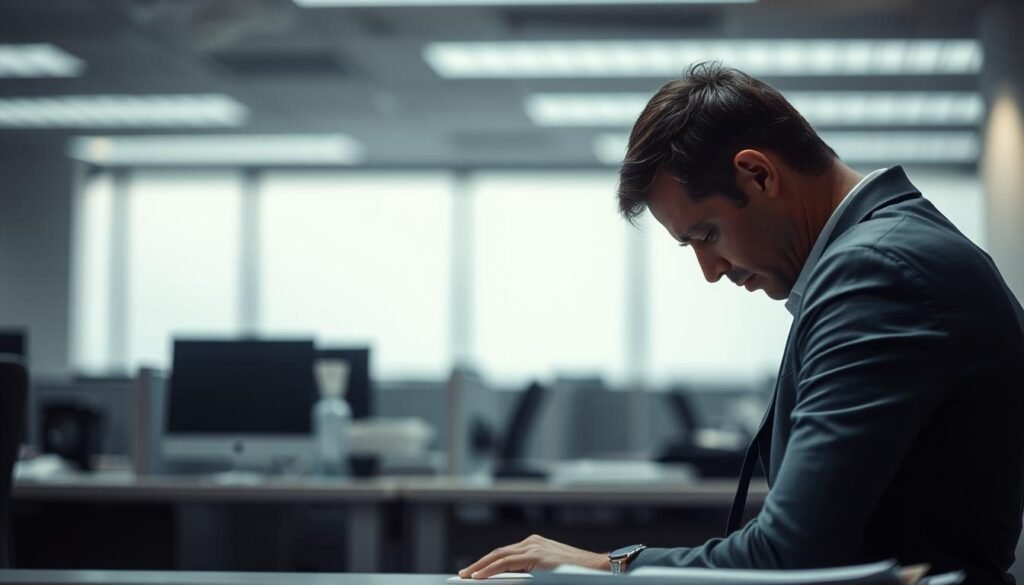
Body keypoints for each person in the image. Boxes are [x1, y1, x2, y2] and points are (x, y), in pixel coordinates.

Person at [458, 62, 1024, 585]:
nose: (710, 271)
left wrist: (608, 564)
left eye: (706, 235)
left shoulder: (875, 271)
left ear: (757, 174)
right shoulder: (894, 249)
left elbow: (791, 553)